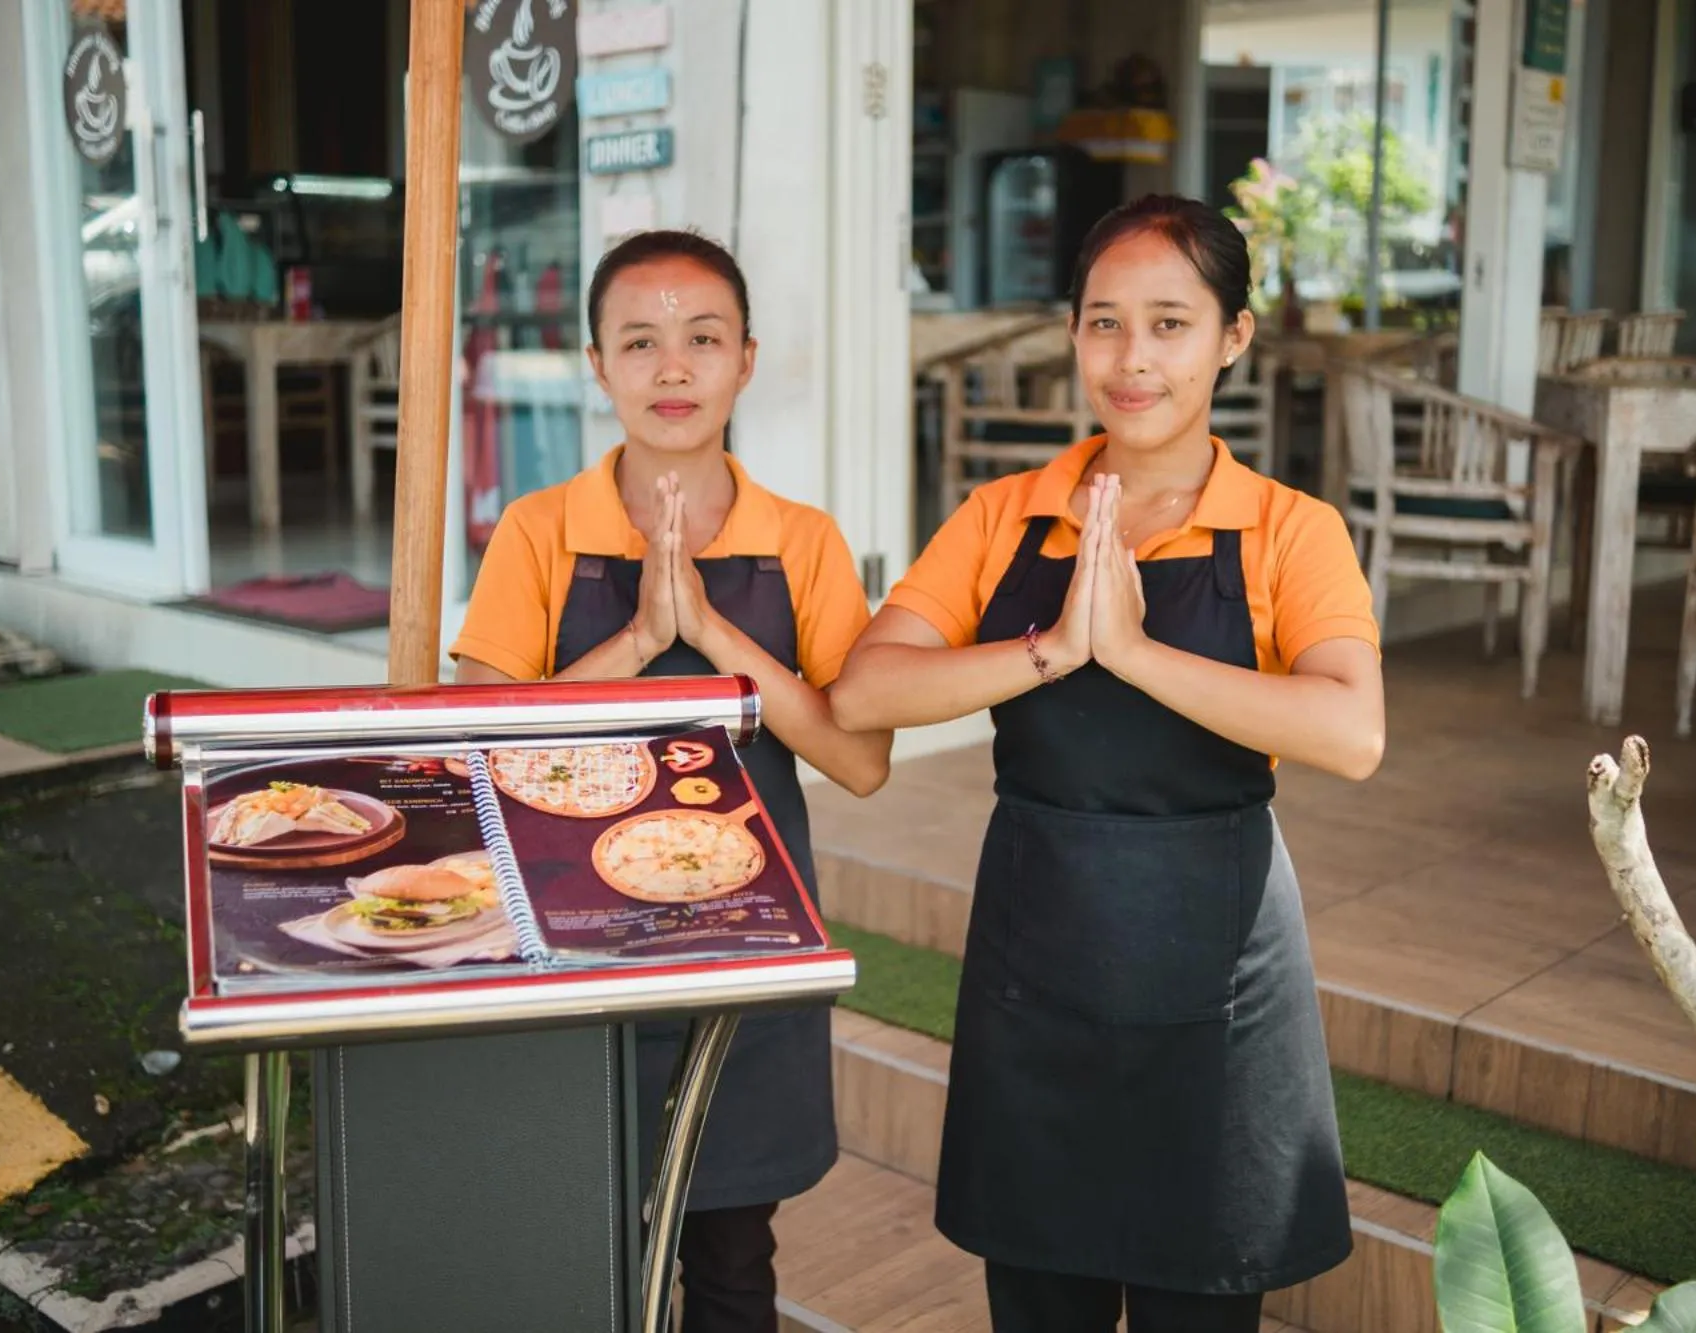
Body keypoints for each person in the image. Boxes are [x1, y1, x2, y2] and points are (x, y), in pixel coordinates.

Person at [830, 194, 1385, 1333]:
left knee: (1200, 1307)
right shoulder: (1003, 517)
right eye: (1103, 323)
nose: (1133, 360)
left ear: (1233, 335)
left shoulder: (1288, 529)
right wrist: (1049, 650)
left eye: (1170, 324)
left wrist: (1127, 651)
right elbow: (865, 689)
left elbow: (1348, 731)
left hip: (1217, 979)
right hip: (1038, 970)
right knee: (1039, 1300)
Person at [450, 229, 892, 1333]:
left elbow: (858, 757)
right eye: (638, 342)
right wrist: (645, 638)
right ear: (594, 366)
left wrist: (720, 639)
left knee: (735, 1261)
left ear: (746, 358)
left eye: (701, 339)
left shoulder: (804, 542)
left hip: (741, 953)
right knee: (581, 1248)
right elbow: (474, 749)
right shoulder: (538, 530)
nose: (673, 368)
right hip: (569, 957)